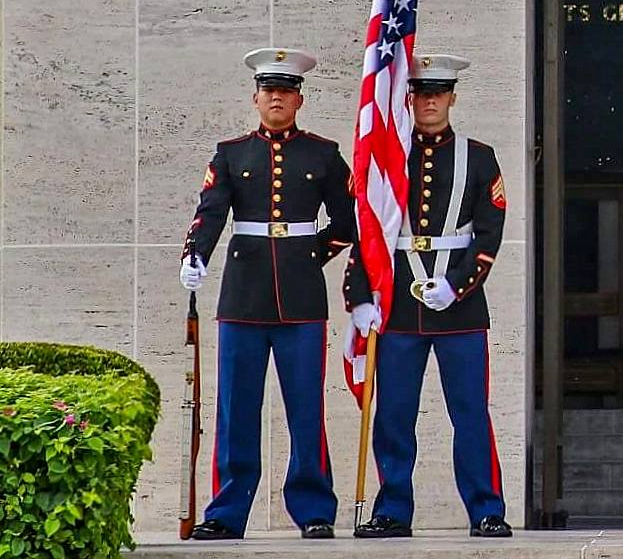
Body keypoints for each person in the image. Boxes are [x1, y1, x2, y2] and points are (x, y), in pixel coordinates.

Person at [179, 48, 355, 540]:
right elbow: (211, 211)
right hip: (243, 295)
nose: (277, 98)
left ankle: (314, 509)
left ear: (299, 98)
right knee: (236, 408)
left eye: (286, 90)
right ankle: (227, 513)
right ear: (255, 97)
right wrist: (194, 256)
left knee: (306, 408)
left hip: (301, 298)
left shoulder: (323, 154)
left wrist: (307, 255)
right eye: (268, 90)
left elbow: (346, 224)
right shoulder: (232, 153)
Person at [348, 54, 511, 539]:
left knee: (470, 414)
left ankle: (485, 508)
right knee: (394, 414)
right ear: (409, 98)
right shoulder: (388, 156)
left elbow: (489, 233)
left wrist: (456, 285)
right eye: (421, 93)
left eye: (439, 93)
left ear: (453, 98)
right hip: (397, 304)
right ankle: (393, 509)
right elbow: (367, 231)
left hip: (459, 307)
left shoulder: (479, 157)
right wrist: (360, 296)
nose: (430, 101)